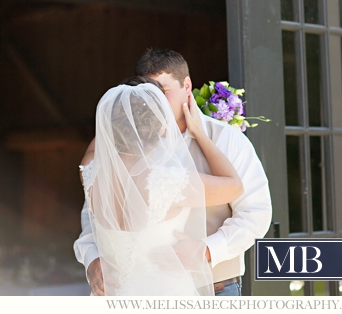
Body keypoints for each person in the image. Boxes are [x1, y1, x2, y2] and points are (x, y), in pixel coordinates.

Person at [74, 49, 272, 297]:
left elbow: (256, 212)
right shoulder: (121, 159)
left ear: (187, 86)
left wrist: (207, 250)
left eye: (163, 92)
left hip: (217, 288)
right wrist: (92, 259)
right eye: (149, 95)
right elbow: (92, 216)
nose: (155, 103)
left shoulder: (226, 139)